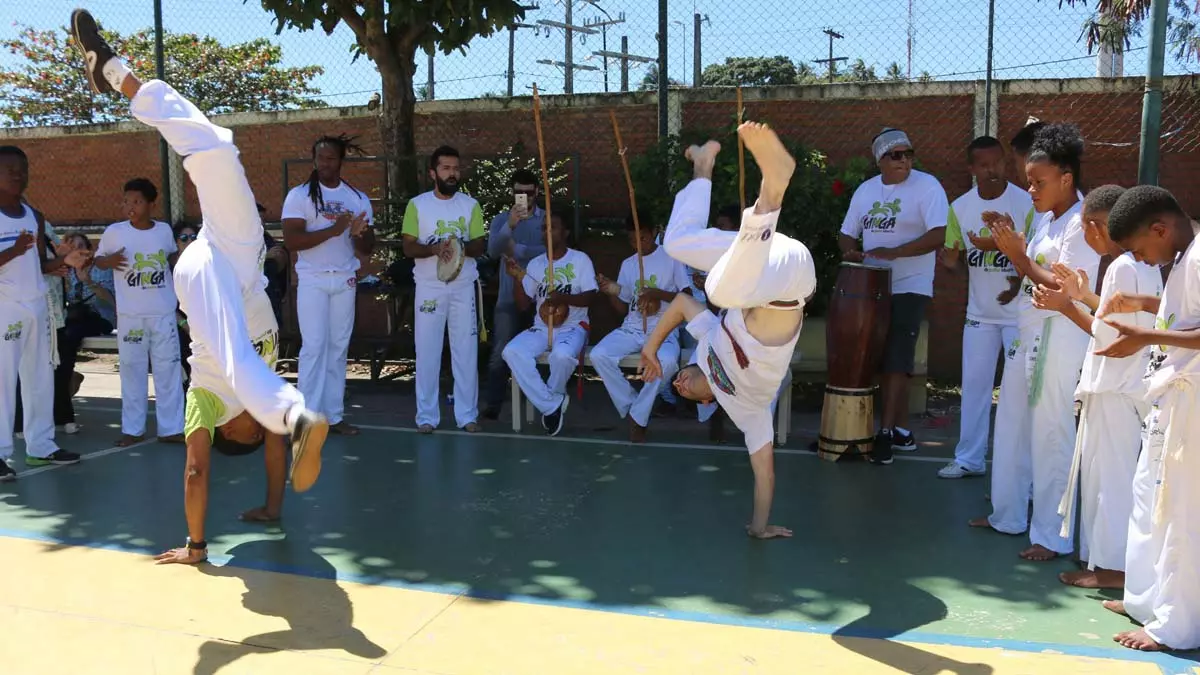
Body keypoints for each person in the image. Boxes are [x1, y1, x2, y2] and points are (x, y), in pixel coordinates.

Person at [67, 7, 328, 563]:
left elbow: (194, 470)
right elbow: (250, 458)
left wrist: (197, 546)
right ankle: (115, 72)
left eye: (256, 434)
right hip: (237, 263)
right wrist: (266, 512)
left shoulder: (205, 407)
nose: (261, 436)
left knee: (232, 353)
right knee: (214, 150)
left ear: (238, 434)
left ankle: (297, 412)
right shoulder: (234, 403)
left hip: (208, 277)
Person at [641, 123, 816, 539]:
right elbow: (765, 473)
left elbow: (682, 303)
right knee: (720, 289)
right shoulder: (748, 412)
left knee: (676, 244)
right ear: (707, 401)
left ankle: (703, 166)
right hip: (790, 281)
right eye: (686, 392)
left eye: (676, 385)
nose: (680, 384)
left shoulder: (705, 347)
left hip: (765, 253)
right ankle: (773, 187)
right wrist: (760, 526)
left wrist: (652, 349)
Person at [970, 122, 1100, 562]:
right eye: (1028, 182)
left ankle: (1053, 534)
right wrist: (1015, 245)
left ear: (1067, 178)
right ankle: (1007, 514)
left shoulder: (1080, 225)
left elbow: (1062, 290)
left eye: (1038, 182)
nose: (1031, 190)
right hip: (1028, 331)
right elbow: (1035, 273)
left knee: (1050, 434)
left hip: (1059, 337)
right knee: (1010, 424)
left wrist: (1019, 256)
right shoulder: (1047, 219)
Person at [1029, 184, 1160, 590]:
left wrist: (1066, 306)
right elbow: (1119, 320)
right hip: (1129, 389)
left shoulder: (1122, 266)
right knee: (1114, 478)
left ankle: (1112, 570)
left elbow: (1108, 337)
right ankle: (1105, 562)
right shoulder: (1145, 265)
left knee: (1110, 481)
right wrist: (1086, 295)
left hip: (1115, 390)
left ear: (1094, 227)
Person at [1090, 185, 1200, 652]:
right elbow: (1186, 317)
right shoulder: (1183, 257)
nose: (1144, 261)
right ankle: (1153, 603)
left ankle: (1177, 626)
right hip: (1175, 398)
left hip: (1192, 398)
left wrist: (1143, 335)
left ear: (1160, 228)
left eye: (1140, 250)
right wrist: (1146, 309)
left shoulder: (1195, 258)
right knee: (1157, 503)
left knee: (1183, 513)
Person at [838, 128, 950, 464]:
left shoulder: (927, 186)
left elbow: (939, 234)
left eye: (909, 153)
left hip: (910, 284)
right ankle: (898, 432)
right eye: (896, 155)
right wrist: (853, 253)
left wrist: (896, 252)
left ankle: (885, 434)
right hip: (870, 286)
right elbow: (846, 234)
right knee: (874, 357)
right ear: (880, 160)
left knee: (897, 356)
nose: (905, 161)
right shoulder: (866, 191)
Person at [936, 136, 1033, 479]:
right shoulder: (959, 208)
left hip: (1019, 317)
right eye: (984, 164)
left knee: (1018, 394)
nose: (992, 170)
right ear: (971, 169)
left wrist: (1016, 285)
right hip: (979, 316)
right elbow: (958, 261)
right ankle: (969, 459)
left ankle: (1020, 467)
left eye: (998, 162)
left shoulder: (1025, 203)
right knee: (975, 388)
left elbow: (1035, 261)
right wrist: (951, 263)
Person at [281, 136, 374, 437]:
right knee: (314, 346)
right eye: (320, 157)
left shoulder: (357, 198)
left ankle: (333, 417)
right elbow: (293, 242)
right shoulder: (299, 196)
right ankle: (305, 420)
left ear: (341, 160)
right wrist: (334, 229)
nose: (324, 163)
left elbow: (367, 248)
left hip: (345, 279)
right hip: (313, 279)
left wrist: (359, 234)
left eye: (331, 158)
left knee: (337, 348)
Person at [0, 155, 81, 480]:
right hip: (5, 308)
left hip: (36, 305)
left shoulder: (34, 215)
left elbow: (40, 263)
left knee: (40, 379)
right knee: (3, 383)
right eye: (10, 171)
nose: (19, 176)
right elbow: (18, 254)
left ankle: (42, 446)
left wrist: (65, 262)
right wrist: (15, 250)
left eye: (24, 170)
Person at [94, 177, 186, 445]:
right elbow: (98, 261)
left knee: (167, 370)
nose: (130, 207)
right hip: (131, 316)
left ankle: (171, 428)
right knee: (132, 371)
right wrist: (107, 261)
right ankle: (132, 429)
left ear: (151, 204)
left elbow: (171, 257)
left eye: (137, 201)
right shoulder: (115, 232)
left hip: (163, 314)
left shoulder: (164, 231)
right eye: (126, 201)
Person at [401, 146, 486, 433]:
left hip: (463, 287)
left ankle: (467, 416)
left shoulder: (470, 205)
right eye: (446, 168)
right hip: (429, 287)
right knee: (427, 351)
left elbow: (480, 244)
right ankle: (426, 416)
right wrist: (435, 249)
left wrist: (457, 247)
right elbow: (408, 246)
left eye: (456, 168)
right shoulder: (417, 205)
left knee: (465, 350)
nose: (453, 173)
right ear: (433, 173)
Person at [592, 214, 689, 442]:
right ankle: (636, 408)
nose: (639, 244)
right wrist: (611, 291)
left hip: (664, 330)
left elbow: (686, 296)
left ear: (654, 232)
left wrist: (657, 293)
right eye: (633, 240)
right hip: (633, 328)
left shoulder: (671, 258)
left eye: (643, 238)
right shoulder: (628, 264)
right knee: (599, 355)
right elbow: (622, 306)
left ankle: (638, 417)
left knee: (667, 362)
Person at [501, 209, 596, 436]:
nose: (546, 232)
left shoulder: (580, 260)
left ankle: (550, 404)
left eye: (552, 227)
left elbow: (590, 297)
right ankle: (551, 404)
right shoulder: (535, 265)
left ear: (566, 232)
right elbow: (524, 305)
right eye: (544, 228)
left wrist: (563, 298)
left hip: (574, 326)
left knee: (561, 357)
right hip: (542, 327)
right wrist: (517, 278)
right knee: (512, 352)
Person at [483, 170, 545, 420]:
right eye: (519, 192)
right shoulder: (502, 220)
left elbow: (550, 250)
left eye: (528, 192)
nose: (524, 197)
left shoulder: (546, 219)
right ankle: (493, 406)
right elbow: (493, 250)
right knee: (500, 352)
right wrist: (510, 225)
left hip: (539, 298)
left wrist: (518, 249)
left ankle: (544, 405)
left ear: (537, 192)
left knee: (542, 354)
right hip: (509, 297)